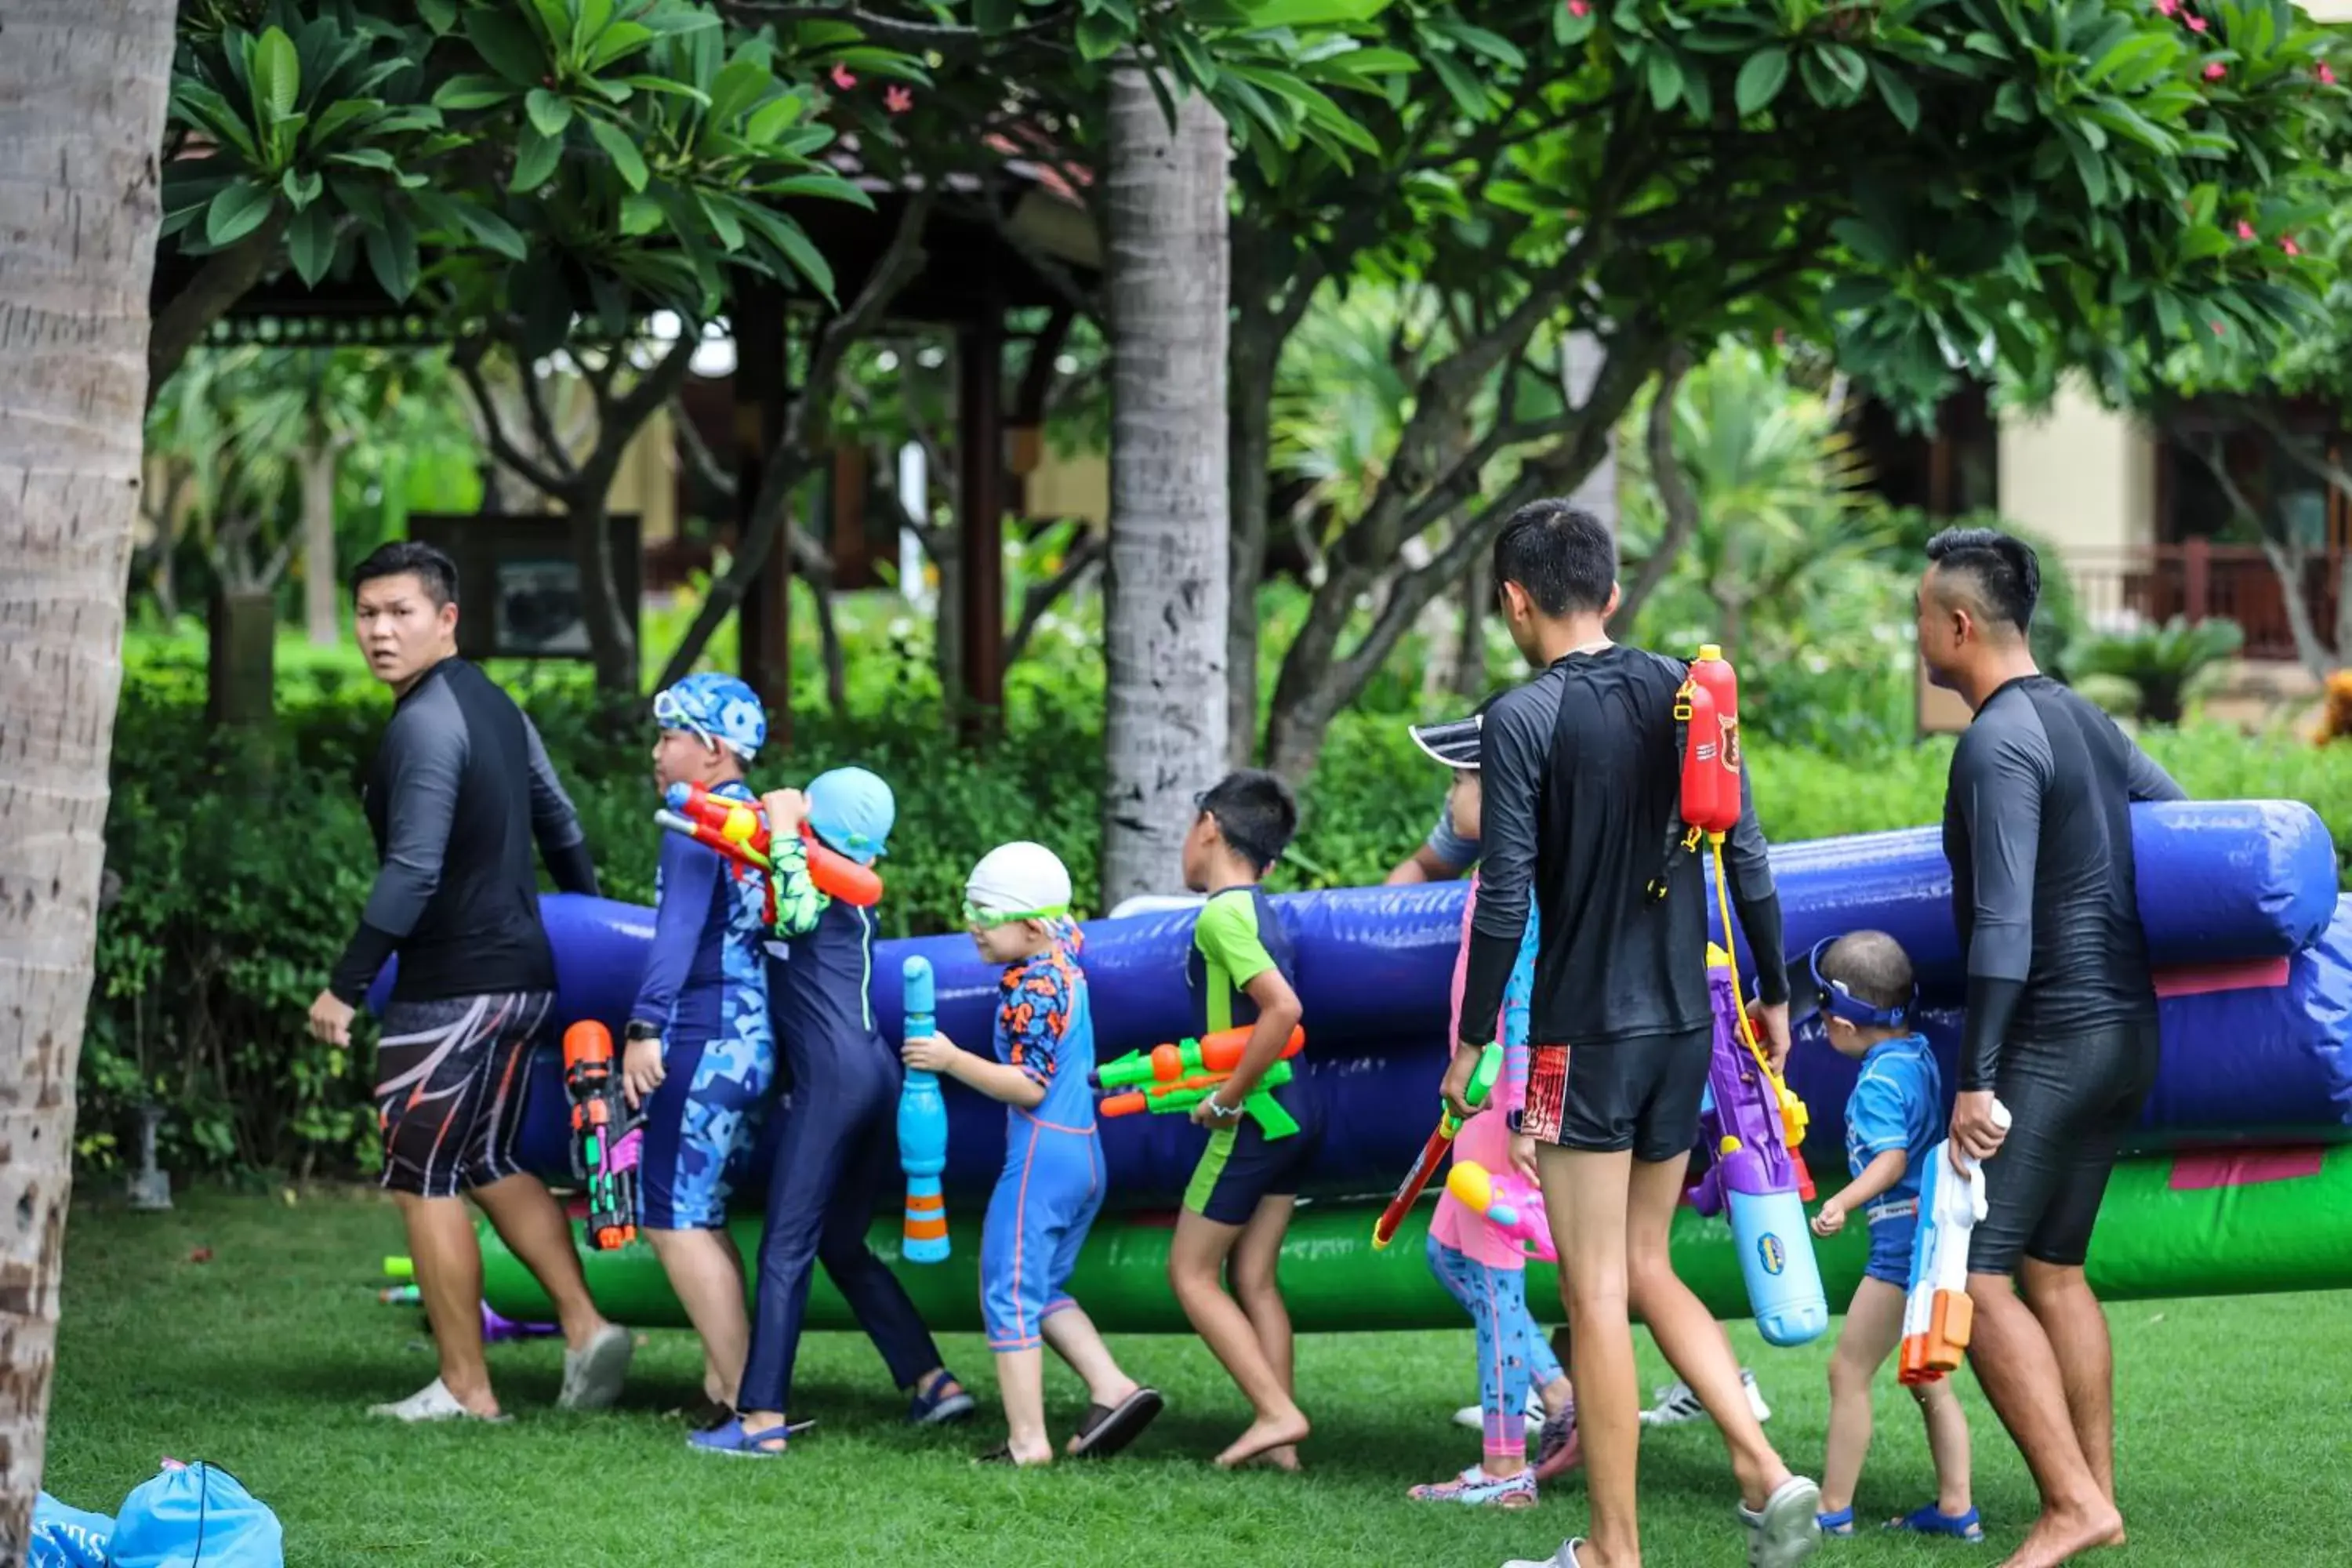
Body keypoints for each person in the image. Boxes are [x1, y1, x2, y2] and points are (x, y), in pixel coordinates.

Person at [1445, 501, 1819, 1568]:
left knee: (1593, 1290)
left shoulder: (1521, 717)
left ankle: (1613, 1550)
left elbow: (1505, 898)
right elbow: (1746, 852)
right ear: (1609, 593)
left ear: (1518, 600)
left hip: (1578, 1039)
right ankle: (1763, 1464)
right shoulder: (1687, 692)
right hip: (1684, 1027)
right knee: (1646, 1263)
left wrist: (1472, 1044)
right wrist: (1775, 991)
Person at [309, 540, 631, 1423]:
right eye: (368, 613)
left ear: (446, 618)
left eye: (399, 612)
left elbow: (411, 873)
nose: (379, 630)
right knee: (486, 1158)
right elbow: (560, 821)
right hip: (522, 978)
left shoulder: (423, 722)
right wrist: (592, 931)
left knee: (423, 1177)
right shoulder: (492, 700)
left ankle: (465, 1386)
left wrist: (347, 983)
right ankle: (585, 1325)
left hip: (452, 986)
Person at [1918, 527, 2184, 1568]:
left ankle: (2072, 1503)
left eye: (1921, 620)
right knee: (2053, 1271)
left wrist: (1978, 1077)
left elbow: (2003, 929)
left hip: (2052, 1039)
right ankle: (2095, 1495)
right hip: (2128, 1031)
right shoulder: (2083, 720)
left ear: (1960, 624)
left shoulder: (1993, 743)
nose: (1918, 638)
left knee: (1977, 1280)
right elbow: (2173, 818)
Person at [691, 768, 975, 1456]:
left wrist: (786, 826)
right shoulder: (847, 886)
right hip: (872, 1073)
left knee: (785, 1249)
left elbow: (791, 908)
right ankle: (931, 1380)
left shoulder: (816, 885)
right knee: (840, 1244)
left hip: (837, 1084)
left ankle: (761, 1421)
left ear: (818, 836)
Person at [902, 840, 1165, 1465]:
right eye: (971, 908)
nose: (973, 925)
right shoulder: (1063, 955)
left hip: (1042, 1158)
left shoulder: (1033, 987)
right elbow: (1065, 922)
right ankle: (1113, 1388)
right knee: (1039, 1286)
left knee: (1005, 1292)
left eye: (986, 913)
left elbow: (1028, 1084)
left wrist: (949, 1059)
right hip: (1084, 1157)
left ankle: (1027, 1441)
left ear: (1030, 926)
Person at [1401, 717, 1577, 1508]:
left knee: (1497, 1281)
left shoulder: (1523, 879)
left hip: (1503, 1101)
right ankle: (1558, 1390)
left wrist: (1526, 1113)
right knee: (1451, 1258)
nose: (1452, 794)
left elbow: (1532, 1000)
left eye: (1461, 780)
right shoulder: (1503, 871)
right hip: (1489, 1101)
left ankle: (1506, 1472)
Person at [619, 673, 779, 1421]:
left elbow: (677, 932)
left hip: (702, 1035)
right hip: (752, 1042)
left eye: (669, 737)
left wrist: (646, 1027)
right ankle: (729, 1384)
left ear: (712, 751)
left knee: (671, 1216)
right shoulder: (756, 821)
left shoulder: (697, 823)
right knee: (704, 1212)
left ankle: (748, 1397)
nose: (657, 753)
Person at [1800, 932, 1980, 1542]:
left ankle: (1831, 1510)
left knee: (1847, 1373)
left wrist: (1841, 1202)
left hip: (1900, 1245)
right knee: (1928, 1376)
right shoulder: (1918, 1053)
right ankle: (1956, 1508)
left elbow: (1892, 1161)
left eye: (1824, 1011)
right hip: (1929, 1237)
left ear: (1844, 1023)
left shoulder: (1877, 1083)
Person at [1171, 768, 1324, 1470]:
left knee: (1192, 1274)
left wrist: (1227, 1098)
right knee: (1254, 1277)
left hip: (1256, 1117)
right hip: (1298, 1113)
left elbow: (1282, 1009)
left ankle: (1275, 1412)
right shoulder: (1261, 909)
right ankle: (1281, 1448)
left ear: (1209, 825)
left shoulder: (1221, 915)